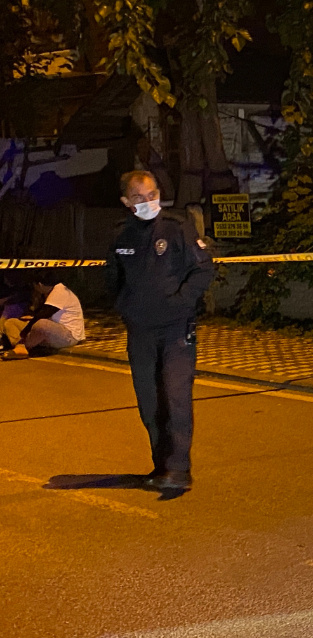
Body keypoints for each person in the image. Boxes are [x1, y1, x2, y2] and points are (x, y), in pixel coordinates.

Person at [107, 170, 214, 491]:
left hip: (176, 329)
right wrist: (125, 307)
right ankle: (161, 466)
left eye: (152, 194)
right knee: (149, 402)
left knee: (176, 395)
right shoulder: (120, 235)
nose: (148, 202)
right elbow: (113, 279)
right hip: (140, 331)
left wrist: (181, 302)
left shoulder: (177, 226)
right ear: (127, 201)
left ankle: (179, 469)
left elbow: (204, 268)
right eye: (139, 197)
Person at [1, 271, 85, 359]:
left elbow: (42, 315)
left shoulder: (60, 292)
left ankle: (22, 346)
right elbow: (40, 313)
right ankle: (22, 346)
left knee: (42, 324)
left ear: (40, 285)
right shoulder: (49, 292)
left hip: (68, 336)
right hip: (52, 333)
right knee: (11, 322)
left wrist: (24, 332)